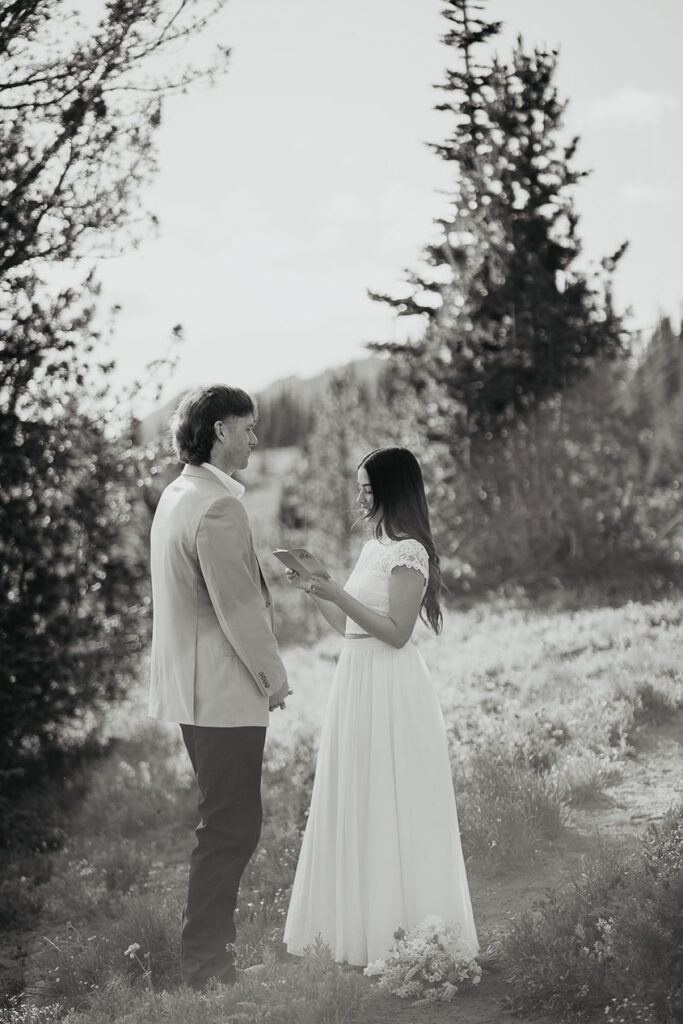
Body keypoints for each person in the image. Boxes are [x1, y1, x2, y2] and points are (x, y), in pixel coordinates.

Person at [283, 446, 478, 967]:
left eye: (369, 488)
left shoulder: (408, 551)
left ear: (393, 490)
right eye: (360, 487)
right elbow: (346, 628)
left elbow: (395, 634)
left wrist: (339, 595)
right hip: (356, 681)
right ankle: (359, 933)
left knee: (395, 802)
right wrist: (315, 591)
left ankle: (408, 931)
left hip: (391, 686)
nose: (361, 496)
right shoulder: (375, 547)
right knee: (361, 798)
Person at [149, 384, 290, 990]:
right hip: (225, 691)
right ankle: (207, 965)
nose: (255, 437)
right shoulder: (218, 506)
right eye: (247, 426)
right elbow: (237, 609)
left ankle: (208, 959)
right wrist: (274, 679)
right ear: (218, 431)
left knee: (223, 823)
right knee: (232, 827)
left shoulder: (177, 494)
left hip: (189, 687)